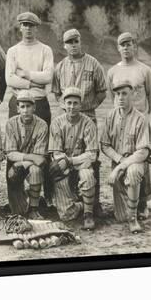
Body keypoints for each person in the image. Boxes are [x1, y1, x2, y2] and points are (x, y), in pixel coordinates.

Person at [52, 28, 107, 217]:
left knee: (92, 160)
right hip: (67, 116)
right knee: (65, 158)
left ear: (80, 42)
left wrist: (89, 106)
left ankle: (94, 203)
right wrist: (66, 107)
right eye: (69, 42)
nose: (73, 45)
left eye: (76, 41)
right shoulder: (60, 66)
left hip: (87, 115)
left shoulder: (93, 63)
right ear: (64, 45)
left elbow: (102, 90)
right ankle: (69, 198)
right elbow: (57, 92)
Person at [107, 32, 151, 220]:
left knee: (141, 162)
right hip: (121, 123)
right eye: (122, 45)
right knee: (121, 160)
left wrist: (142, 116)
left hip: (140, 121)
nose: (126, 48)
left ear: (134, 46)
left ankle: (143, 203)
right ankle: (124, 201)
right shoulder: (112, 71)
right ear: (118, 48)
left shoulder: (144, 70)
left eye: (129, 44)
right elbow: (113, 98)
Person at [100, 81, 151, 233]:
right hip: (118, 162)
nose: (120, 97)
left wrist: (122, 166)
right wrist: (120, 161)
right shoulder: (111, 116)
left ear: (133, 94)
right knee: (120, 216)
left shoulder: (140, 118)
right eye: (117, 94)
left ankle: (133, 218)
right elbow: (104, 145)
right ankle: (132, 207)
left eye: (124, 93)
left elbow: (143, 152)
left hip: (135, 162)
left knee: (133, 171)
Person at [48, 87, 97, 230]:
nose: (72, 107)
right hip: (64, 166)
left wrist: (70, 161)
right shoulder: (57, 123)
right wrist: (66, 162)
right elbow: (56, 153)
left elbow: (92, 154)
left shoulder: (88, 123)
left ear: (81, 105)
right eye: (69, 103)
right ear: (63, 104)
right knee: (66, 215)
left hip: (81, 164)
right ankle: (83, 204)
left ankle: (88, 213)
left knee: (87, 175)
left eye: (76, 103)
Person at [4, 90, 49, 219]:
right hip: (15, 164)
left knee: (35, 171)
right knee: (18, 212)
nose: (25, 110)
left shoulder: (42, 125)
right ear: (17, 108)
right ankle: (24, 199)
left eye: (28, 106)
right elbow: (10, 153)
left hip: (31, 164)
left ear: (34, 107)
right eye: (22, 106)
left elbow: (39, 158)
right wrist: (27, 159)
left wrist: (21, 163)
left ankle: (34, 207)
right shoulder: (11, 124)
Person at [5, 12, 54, 124]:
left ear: (36, 28)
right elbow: (10, 79)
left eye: (31, 25)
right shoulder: (13, 51)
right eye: (25, 24)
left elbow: (48, 77)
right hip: (18, 101)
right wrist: (32, 84)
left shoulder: (45, 50)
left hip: (39, 101)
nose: (28, 28)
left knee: (42, 137)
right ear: (20, 27)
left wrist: (25, 74)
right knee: (15, 137)